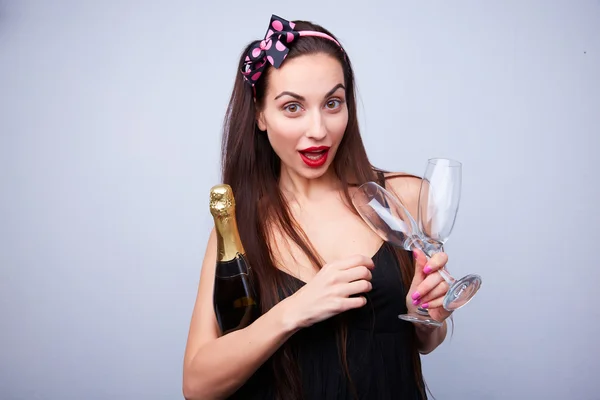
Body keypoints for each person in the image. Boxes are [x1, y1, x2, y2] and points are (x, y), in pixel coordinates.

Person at [182, 14, 452, 400]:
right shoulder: (239, 228)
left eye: (332, 103)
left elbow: (427, 340)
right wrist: (293, 311)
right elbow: (197, 384)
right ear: (260, 114)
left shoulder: (406, 198)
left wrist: (427, 318)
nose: (318, 130)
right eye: (293, 107)